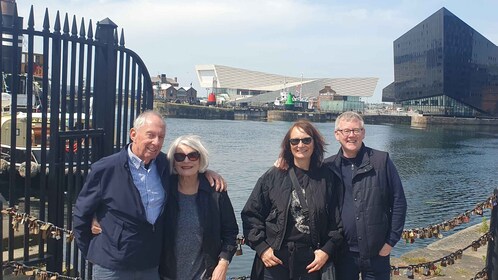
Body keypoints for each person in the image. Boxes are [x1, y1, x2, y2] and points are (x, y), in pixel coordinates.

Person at [73, 110, 225, 280]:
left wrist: (206, 173)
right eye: (150, 135)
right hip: (112, 265)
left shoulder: (165, 164)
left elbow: (188, 166)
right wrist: (92, 252)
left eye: (161, 137)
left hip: (150, 265)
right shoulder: (106, 169)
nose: (156, 142)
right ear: (133, 134)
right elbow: (81, 215)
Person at [241, 119, 343, 280]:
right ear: (288, 145)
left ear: (315, 143)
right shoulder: (273, 176)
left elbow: (337, 222)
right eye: (294, 141)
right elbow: (251, 214)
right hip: (275, 258)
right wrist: (262, 248)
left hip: (312, 260)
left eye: (306, 140)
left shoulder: (328, 178)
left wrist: (326, 251)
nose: (300, 145)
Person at [324, 111, 407, 280]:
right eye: (346, 131)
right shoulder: (328, 167)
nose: (351, 135)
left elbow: (399, 201)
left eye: (356, 130)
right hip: (343, 252)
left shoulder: (380, 161)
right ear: (337, 135)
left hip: (376, 252)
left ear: (363, 133)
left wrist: (391, 242)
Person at [159, 135, 238, 280]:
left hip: (205, 275)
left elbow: (230, 232)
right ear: (173, 161)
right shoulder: (163, 188)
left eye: (193, 155)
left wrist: (223, 263)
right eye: (180, 156)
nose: (186, 160)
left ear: (201, 159)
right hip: (165, 274)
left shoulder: (216, 192)